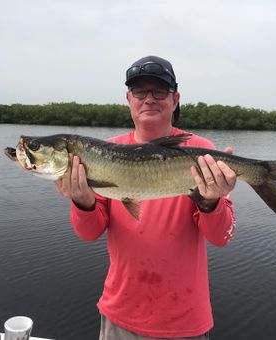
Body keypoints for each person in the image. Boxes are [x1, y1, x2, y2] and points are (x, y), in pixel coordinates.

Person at [55, 56, 237, 339]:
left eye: (159, 91)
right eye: (140, 91)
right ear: (129, 99)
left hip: (185, 320)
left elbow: (221, 237)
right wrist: (82, 201)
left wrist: (211, 202)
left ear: (175, 99)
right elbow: (88, 232)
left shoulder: (201, 150)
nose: (149, 99)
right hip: (120, 315)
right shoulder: (103, 153)